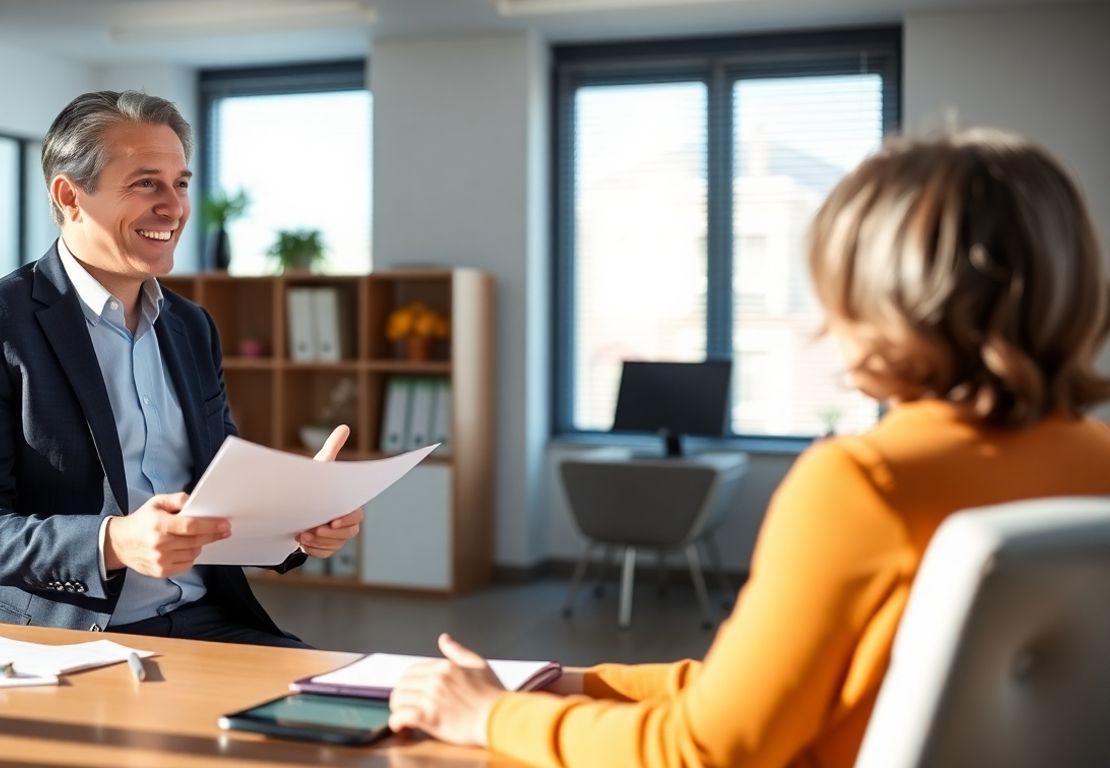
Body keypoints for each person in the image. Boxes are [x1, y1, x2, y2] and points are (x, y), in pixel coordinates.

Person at [387, 130, 1110, 765]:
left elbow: (702, 753)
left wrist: (490, 715)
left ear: (877, 301)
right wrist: (574, 682)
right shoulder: (1096, 464)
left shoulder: (867, 482)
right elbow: (758, 696)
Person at [0, 90, 362, 646]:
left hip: (207, 622)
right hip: (57, 637)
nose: (175, 207)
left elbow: (216, 491)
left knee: (342, 714)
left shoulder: (191, 327)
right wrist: (114, 541)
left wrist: (297, 523)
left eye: (180, 183)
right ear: (70, 195)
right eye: (146, 183)